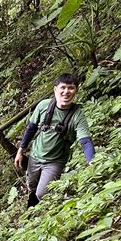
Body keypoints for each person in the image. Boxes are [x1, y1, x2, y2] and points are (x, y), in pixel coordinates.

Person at [14, 74, 95, 207]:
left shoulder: (77, 115)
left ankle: (47, 214)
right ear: (55, 89)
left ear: (76, 91)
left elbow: (85, 141)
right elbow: (31, 129)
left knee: (42, 193)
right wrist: (20, 151)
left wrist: (92, 161)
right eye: (63, 87)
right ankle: (32, 210)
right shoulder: (43, 106)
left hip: (55, 161)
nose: (66, 92)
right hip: (35, 156)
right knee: (32, 187)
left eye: (71, 88)